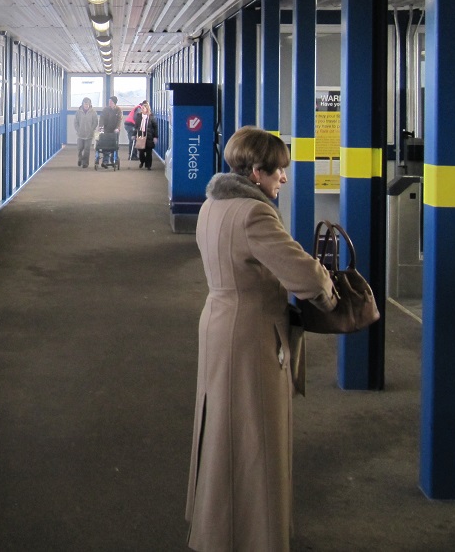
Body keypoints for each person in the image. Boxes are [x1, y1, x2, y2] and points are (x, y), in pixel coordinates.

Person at [186, 126, 338, 552]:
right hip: (251, 333)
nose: (283, 180)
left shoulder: (212, 206)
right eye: (278, 173)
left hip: (218, 322)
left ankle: (216, 525)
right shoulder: (255, 215)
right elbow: (304, 274)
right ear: (256, 173)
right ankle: (253, 536)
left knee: (221, 428)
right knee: (256, 436)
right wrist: (328, 290)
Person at [74, 97, 98, 168]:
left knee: (87, 149)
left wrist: (92, 129)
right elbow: (76, 122)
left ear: (90, 104)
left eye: (87, 104)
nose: (86, 106)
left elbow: (95, 122)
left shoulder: (93, 112)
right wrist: (78, 130)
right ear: (82, 104)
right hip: (80, 134)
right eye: (85, 104)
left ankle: (85, 163)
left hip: (89, 134)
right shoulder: (78, 112)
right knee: (80, 148)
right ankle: (80, 159)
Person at [135, 100, 158, 170]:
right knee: (141, 151)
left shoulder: (151, 116)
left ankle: (148, 165)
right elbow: (136, 126)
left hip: (149, 135)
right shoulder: (138, 116)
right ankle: (142, 161)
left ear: (147, 109)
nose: (142, 109)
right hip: (140, 134)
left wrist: (155, 137)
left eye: (143, 108)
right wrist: (134, 135)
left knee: (149, 151)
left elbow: (155, 127)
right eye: (141, 108)